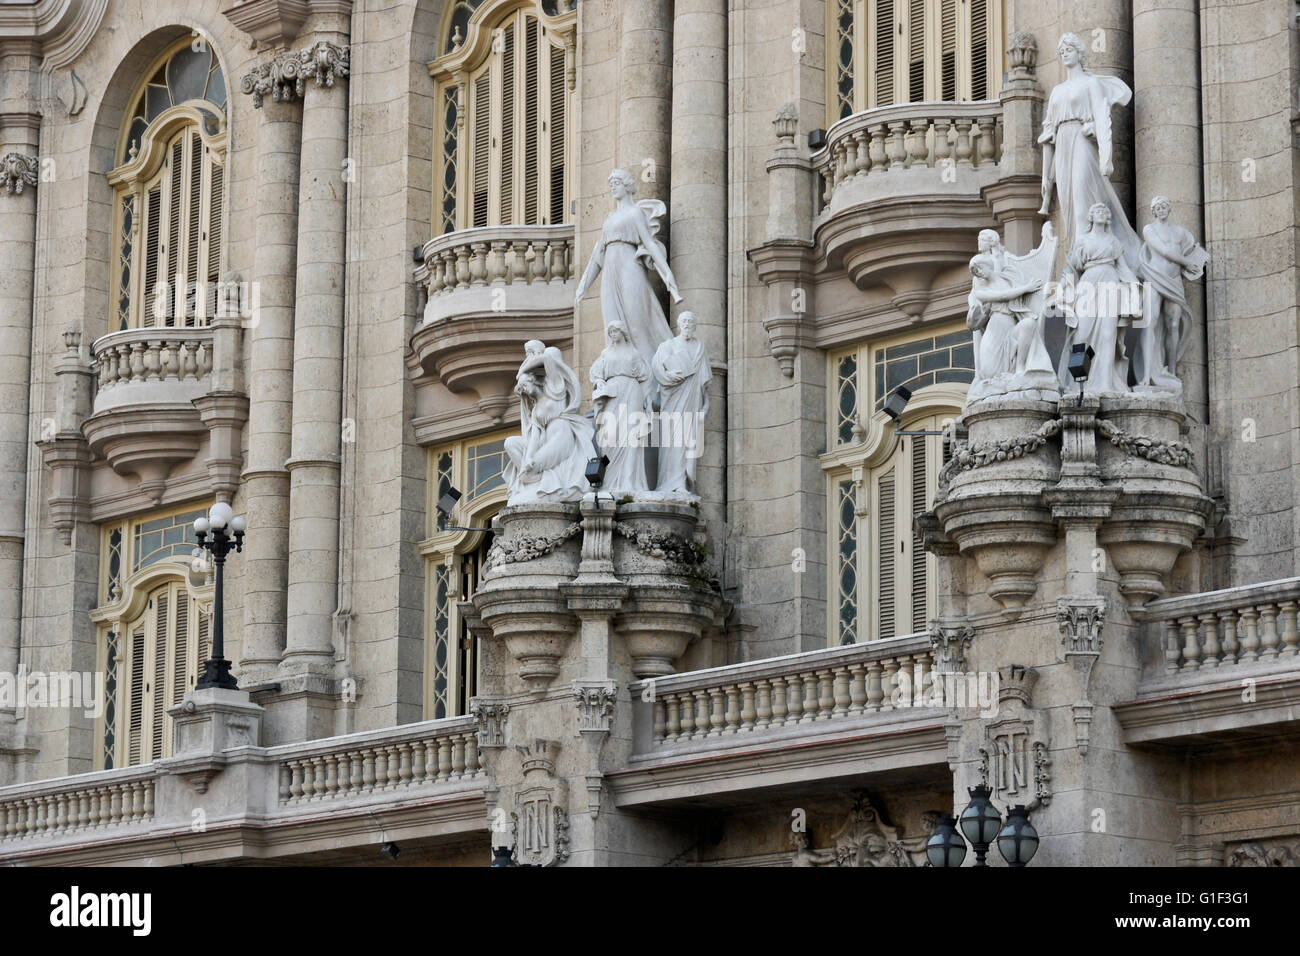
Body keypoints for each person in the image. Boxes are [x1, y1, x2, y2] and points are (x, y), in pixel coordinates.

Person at [1038, 33, 1142, 271]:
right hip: (1062, 145)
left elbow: (1102, 119)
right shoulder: (1057, 91)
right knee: (1068, 206)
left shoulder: (1091, 83)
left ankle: (1087, 260)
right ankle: (1079, 257)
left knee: (1082, 195)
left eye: (1069, 49)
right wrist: (1046, 177)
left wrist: (1105, 157)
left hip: (1082, 143)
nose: (1064, 53)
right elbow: (1047, 136)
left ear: (1080, 53)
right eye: (1061, 50)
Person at [574, 169, 682, 374]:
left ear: (627, 185)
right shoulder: (610, 218)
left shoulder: (634, 213)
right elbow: (598, 255)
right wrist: (583, 286)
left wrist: (666, 272)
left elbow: (649, 243)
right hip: (610, 270)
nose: (613, 186)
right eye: (611, 183)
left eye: (617, 182)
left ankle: (651, 377)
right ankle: (618, 374)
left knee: (637, 322)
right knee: (612, 322)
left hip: (629, 267)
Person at [1058, 203, 1138, 395]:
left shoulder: (1113, 241)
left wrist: (1136, 286)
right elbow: (1070, 268)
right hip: (1088, 283)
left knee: (1108, 334)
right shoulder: (1083, 239)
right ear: (1091, 217)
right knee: (1082, 334)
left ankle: (1105, 383)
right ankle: (1079, 383)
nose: (1101, 213)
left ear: (1108, 217)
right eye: (1097, 211)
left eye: (1104, 211)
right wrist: (1061, 288)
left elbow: (1123, 267)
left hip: (1110, 283)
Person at [503, 340, 594, 503]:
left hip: (561, 436)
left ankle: (546, 486)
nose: (523, 391)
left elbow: (547, 360)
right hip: (544, 441)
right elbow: (535, 437)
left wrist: (522, 370)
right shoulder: (536, 409)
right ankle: (532, 482)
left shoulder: (554, 388)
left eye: (523, 386)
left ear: (533, 381)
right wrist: (528, 458)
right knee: (511, 444)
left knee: (536, 463)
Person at [1134, 195, 1209, 389]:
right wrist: (1186, 263)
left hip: (1175, 280)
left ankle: (1172, 372)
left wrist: (1196, 262)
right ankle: (1147, 373)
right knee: (1150, 321)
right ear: (1153, 211)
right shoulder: (1149, 229)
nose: (1161, 209)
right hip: (1155, 276)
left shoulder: (1181, 233)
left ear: (1169, 209)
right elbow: (1164, 252)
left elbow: (1192, 251)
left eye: (1164, 206)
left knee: (1173, 324)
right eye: (1157, 207)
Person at [652, 312, 711, 495]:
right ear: (678, 324)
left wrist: (705, 403)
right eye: (684, 321)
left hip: (692, 400)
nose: (687, 324)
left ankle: (682, 483)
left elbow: (704, 381)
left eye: (691, 322)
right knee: (672, 440)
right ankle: (669, 483)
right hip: (673, 399)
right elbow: (657, 369)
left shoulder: (700, 347)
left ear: (695, 325)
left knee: (687, 440)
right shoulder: (667, 346)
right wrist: (669, 376)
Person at [590, 321, 653, 493]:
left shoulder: (634, 353)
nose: (613, 335)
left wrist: (645, 399)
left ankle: (628, 481)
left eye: (616, 331)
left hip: (632, 391)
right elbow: (595, 373)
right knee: (609, 435)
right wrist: (599, 381)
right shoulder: (606, 353)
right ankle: (609, 482)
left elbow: (646, 376)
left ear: (622, 332)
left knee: (631, 434)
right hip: (612, 392)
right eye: (610, 332)